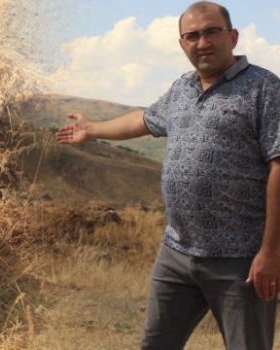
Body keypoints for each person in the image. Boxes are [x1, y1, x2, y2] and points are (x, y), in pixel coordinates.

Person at [55, 2, 280, 349]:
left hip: (241, 261)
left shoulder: (264, 88)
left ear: (232, 36)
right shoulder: (182, 88)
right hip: (177, 253)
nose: (202, 42)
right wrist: (93, 129)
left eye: (211, 32)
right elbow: (143, 120)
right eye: (192, 36)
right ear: (181, 44)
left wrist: (271, 253)